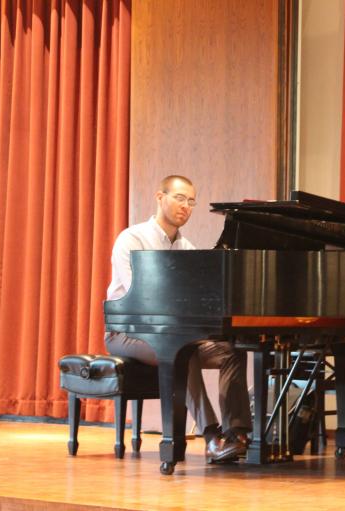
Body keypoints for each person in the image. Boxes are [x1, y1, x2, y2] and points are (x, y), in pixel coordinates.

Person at [105, 175, 252, 464]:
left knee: (232, 350)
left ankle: (236, 432)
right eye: (180, 198)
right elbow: (141, 296)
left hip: (172, 331)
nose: (186, 206)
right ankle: (211, 437)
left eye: (191, 202)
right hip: (128, 332)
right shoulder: (132, 239)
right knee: (181, 350)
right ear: (160, 197)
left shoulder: (186, 247)